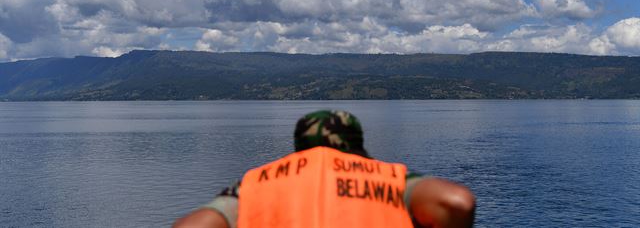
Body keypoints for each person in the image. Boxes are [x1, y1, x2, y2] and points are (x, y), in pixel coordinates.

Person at [174, 110, 475, 228]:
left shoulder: (256, 183)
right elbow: (456, 202)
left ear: (298, 148)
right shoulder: (388, 177)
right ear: (357, 147)